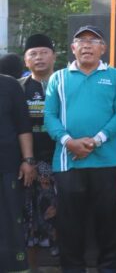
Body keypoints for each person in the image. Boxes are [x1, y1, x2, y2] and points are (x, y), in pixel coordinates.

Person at [43, 25, 116, 273]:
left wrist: (97, 140)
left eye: (94, 40)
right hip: (68, 161)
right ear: (73, 48)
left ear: (103, 48)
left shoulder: (115, 76)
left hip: (108, 161)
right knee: (70, 224)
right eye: (82, 40)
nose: (87, 45)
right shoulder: (58, 78)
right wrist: (68, 141)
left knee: (109, 221)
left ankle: (110, 268)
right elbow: (49, 115)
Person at [19, 34, 58, 267]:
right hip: (28, 165)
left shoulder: (64, 83)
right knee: (29, 219)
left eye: (44, 52)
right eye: (33, 54)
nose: (39, 58)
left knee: (60, 217)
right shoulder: (18, 88)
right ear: (26, 60)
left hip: (61, 162)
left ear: (54, 56)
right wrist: (27, 160)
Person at [0, 63, 34, 273]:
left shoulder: (9, 85)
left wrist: (28, 159)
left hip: (7, 166)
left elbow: (23, 125)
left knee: (10, 222)